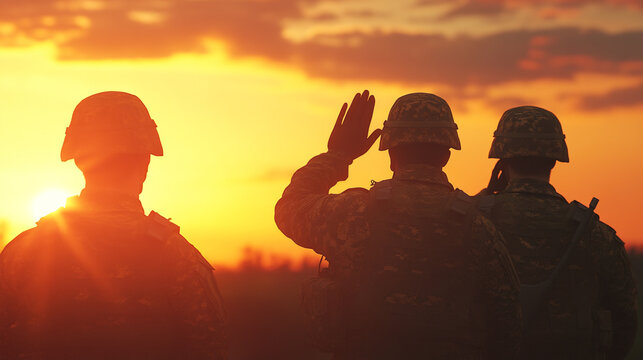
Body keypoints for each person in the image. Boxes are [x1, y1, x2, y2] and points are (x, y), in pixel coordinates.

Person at [275, 91, 522, 359]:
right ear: (447, 154)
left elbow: (290, 208)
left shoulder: (352, 213)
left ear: (390, 152)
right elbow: (508, 322)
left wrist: (338, 155)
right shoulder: (479, 225)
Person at [0, 91, 227, 359]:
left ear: (79, 161)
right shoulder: (178, 256)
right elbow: (209, 349)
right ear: (145, 161)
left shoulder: (24, 253)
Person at [477, 105, 638, 360]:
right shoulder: (595, 233)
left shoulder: (472, 221)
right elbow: (625, 320)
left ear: (502, 158)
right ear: (554, 158)